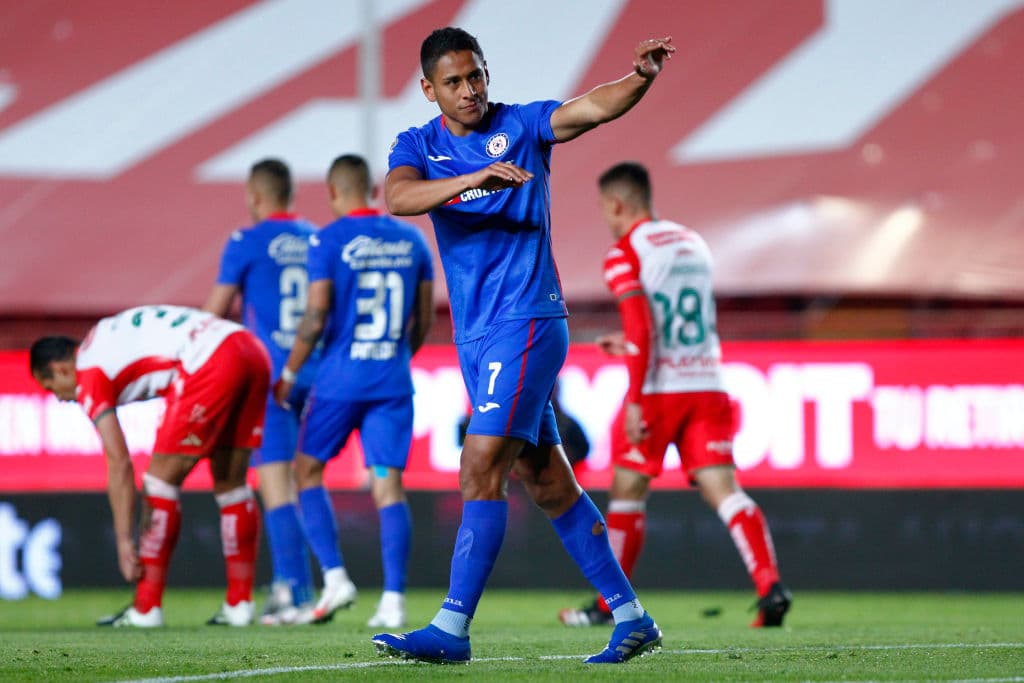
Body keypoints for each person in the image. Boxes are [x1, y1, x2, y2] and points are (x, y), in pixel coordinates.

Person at [371, 27, 674, 665]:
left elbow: (593, 106)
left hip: (528, 318)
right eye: (453, 81)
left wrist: (640, 78)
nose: (470, 89)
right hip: (476, 334)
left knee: (479, 463)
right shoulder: (417, 145)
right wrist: (472, 178)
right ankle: (631, 616)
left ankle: (451, 630)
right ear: (430, 90)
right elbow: (397, 197)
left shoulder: (524, 125)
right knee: (547, 482)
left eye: (476, 75)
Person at [558, 162, 792, 629]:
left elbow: (644, 324)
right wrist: (626, 343)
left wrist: (638, 397)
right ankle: (770, 586)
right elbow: (679, 320)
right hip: (707, 382)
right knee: (724, 490)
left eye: (605, 208)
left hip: (661, 389)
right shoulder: (692, 242)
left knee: (627, 489)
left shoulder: (625, 253)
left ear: (617, 204)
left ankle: (610, 603)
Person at [29, 305, 269, 627]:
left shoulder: (88, 372)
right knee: (231, 485)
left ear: (59, 369)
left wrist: (124, 540)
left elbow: (119, 462)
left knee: (159, 483)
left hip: (209, 360)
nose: (58, 398)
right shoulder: (103, 337)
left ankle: (146, 608)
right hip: (250, 349)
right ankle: (240, 605)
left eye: (50, 389)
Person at [273, 154, 435, 628]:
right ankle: (393, 600)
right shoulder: (412, 238)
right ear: (369, 189)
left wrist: (289, 372)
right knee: (387, 484)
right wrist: (399, 354)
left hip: (340, 381)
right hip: (390, 380)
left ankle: (336, 577)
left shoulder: (327, 240)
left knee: (306, 471)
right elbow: (423, 318)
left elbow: (316, 314)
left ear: (332, 190)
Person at [203, 158, 317, 625]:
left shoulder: (246, 242)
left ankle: (294, 590)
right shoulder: (316, 238)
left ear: (254, 194)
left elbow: (214, 312)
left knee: (275, 486)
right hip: (316, 369)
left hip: (271, 377)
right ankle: (314, 585)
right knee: (308, 480)